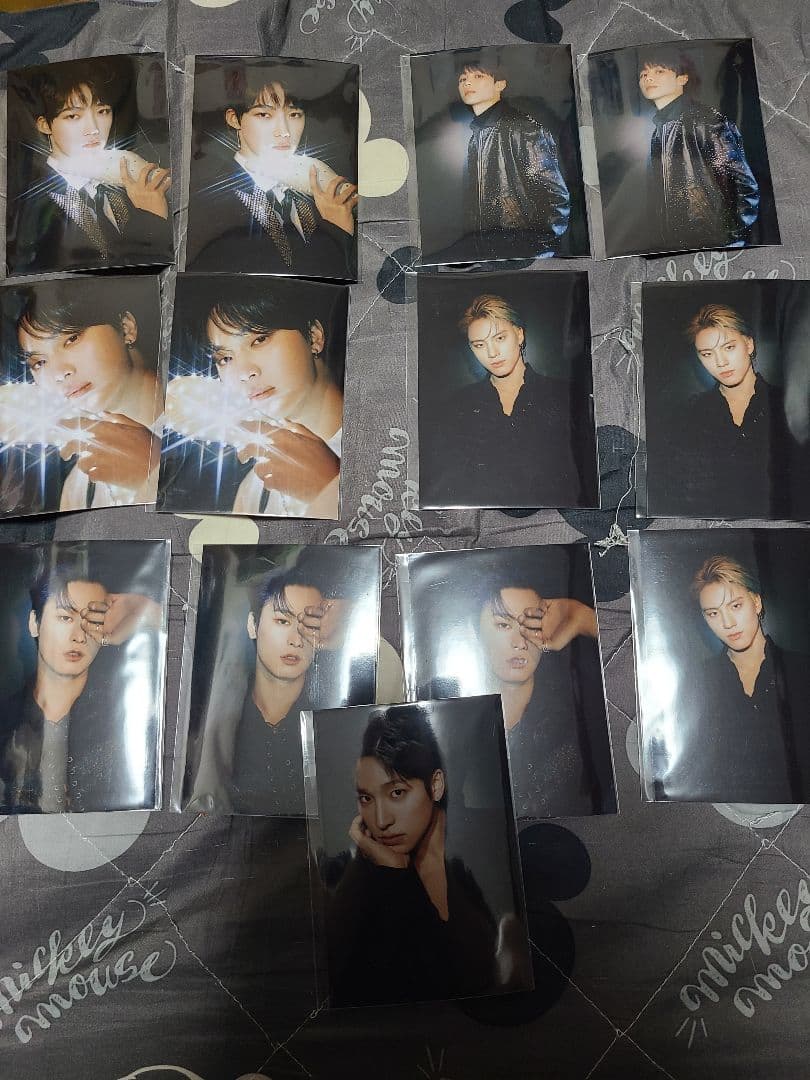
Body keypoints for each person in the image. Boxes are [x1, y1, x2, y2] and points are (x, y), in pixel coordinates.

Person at [324, 705, 499, 1007]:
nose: (381, 820)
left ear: (436, 785)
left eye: (397, 793)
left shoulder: (486, 847)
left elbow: (485, 975)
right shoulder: (356, 869)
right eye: (366, 798)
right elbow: (336, 982)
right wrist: (391, 872)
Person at [161, 280, 344, 518]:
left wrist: (328, 485)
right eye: (225, 358)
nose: (244, 373)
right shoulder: (257, 488)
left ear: (313, 336)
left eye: (259, 340)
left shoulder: (382, 441)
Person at [0, 555, 162, 813]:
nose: (79, 636)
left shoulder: (126, 719)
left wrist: (144, 609)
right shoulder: (6, 720)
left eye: (94, 619)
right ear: (34, 622)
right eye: (65, 617)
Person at [648, 555, 810, 803]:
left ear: (756, 602)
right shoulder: (694, 683)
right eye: (713, 613)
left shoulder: (802, 670)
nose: (727, 623)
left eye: (735, 606)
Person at [420, 293, 596, 509]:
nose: (492, 353)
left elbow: (585, 482)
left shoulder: (567, 395)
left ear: (519, 334)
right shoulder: (457, 407)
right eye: (479, 345)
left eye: (500, 338)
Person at [0, 281, 162, 515]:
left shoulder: (201, 444)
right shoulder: (80, 484)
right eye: (39, 362)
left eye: (72, 339)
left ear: (126, 328)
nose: (59, 372)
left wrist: (155, 471)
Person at [6, 56, 172, 275]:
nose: (93, 128)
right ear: (45, 125)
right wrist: (154, 216)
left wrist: (155, 214)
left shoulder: (127, 180)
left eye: (102, 111)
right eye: (73, 116)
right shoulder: (28, 203)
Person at [185, 73, 358, 278]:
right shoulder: (205, 204)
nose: (284, 131)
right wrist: (337, 230)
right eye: (264, 115)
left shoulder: (320, 186)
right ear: (234, 119)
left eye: (294, 114)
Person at [656, 303, 810, 519]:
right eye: (707, 354)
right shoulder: (688, 416)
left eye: (729, 347)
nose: (720, 362)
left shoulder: (790, 408)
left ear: (749, 344)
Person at [637, 45, 759, 253]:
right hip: (678, 248)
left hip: (715, 249)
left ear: (682, 79)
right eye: (643, 74)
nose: (648, 78)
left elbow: (744, 187)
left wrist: (727, 239)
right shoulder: (658, 131)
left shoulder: (704, 122)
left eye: (659, 71)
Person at [456, 58, 570, 260]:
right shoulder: (476, 135)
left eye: (478, 76)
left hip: (521, 254)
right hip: (490, 254)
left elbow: (556, 196)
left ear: (500, 84)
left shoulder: (522, 128)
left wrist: (535, 251)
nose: (467, 82)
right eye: (462, 79)